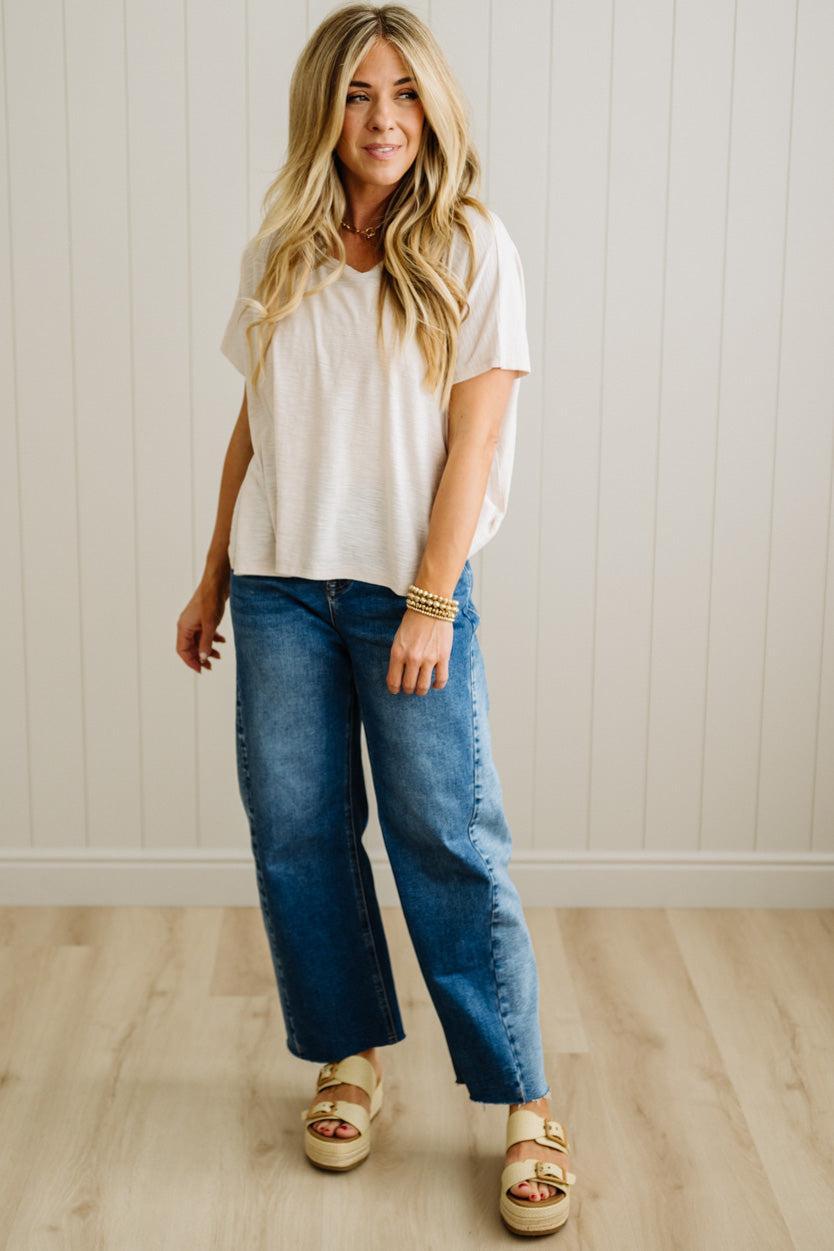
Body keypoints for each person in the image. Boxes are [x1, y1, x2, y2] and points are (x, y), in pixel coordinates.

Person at [176, 3, 576, 1237]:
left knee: (446, 838)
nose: (384, 118)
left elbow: (476, 440)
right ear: (324, 108)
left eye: (404, 92)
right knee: (297, 835)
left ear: (434, 105)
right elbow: (260, 422)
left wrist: (431, 599)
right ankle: (348, 1060)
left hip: (407, 591)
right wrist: (209, 574)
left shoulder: (471, 245)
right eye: (357, 94)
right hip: (279, 586)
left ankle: (524, 1106)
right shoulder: (280, 246)